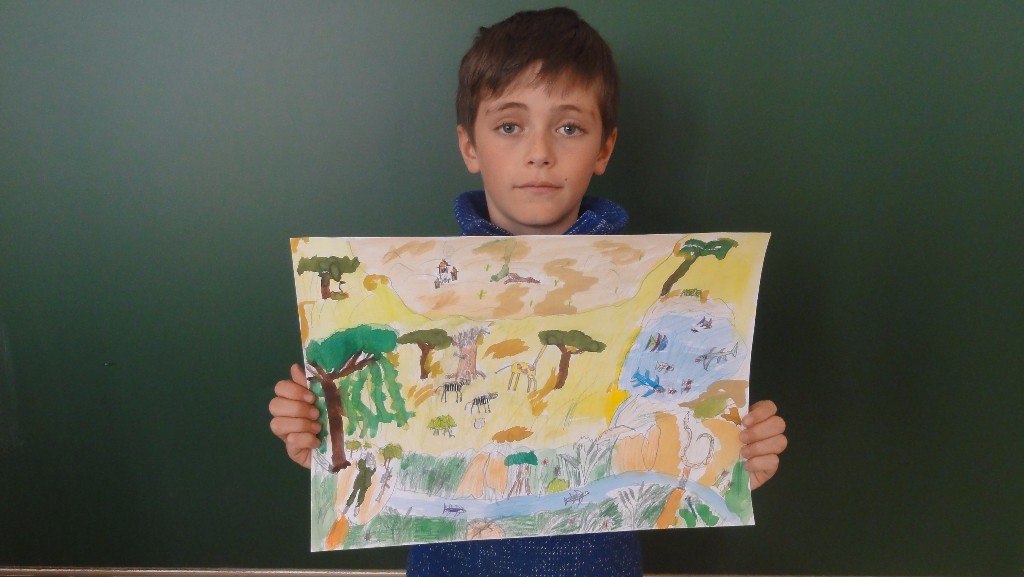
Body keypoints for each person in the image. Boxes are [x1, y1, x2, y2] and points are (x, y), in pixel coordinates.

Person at [269, 7, 788, 577]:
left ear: (604, 148)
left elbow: (668, 448)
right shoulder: (425, 291)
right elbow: (374, 463)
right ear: (470, 146)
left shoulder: (658, 300)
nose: (540, 151)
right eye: (510, 126)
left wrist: (737, 462)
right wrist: (318, 440)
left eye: (569, 128)